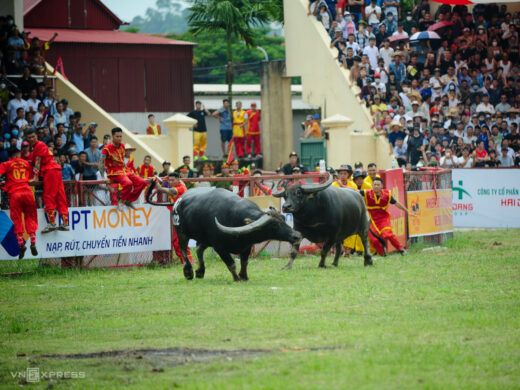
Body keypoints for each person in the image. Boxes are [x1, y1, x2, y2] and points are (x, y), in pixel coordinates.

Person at [26, 129, 69, 233]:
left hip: (50, 171)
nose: (32, 139)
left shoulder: (39, 145)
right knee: (60, 195)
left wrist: (35, 177)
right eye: (30, 137)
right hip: (56, 171)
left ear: (37, 136)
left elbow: (38, 162)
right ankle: (65, 223)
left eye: (33, 136)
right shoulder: (39, 145)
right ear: (27, 139)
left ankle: (52, 224)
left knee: (49, 196)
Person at [361, 177, 416, 257]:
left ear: (382, 186)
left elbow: (397, 203)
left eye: (378, 185)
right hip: (371, 220)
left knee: (388, 235)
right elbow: (356, 191)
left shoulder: (387, 195)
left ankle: (400, 249)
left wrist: (407, 211)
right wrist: (343, 187)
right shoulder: (367, 193)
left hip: (383, 219)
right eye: (374, 185)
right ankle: (382, 254)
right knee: (375, 240)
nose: (376, 186)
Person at [0, 148, 38, 259]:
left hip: (15, 194)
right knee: (31, 217)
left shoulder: (6, 164)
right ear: (18, 154)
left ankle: (21, 245)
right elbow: (31, 178)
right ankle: (33, 243)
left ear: (10, 156)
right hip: (27, 192)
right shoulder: (26, 163)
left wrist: (4, 182)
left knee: (17, 219)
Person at [99, 128, 147, 209]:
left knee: (142, 182)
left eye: (120, 136)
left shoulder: (122, 145)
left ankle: (128, 200)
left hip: (124, 170)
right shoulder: (106, 148)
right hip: (114, 172)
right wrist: (103, 176)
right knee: (128, 183)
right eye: (117, 136)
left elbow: (121, 159)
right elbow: (101, 162)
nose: (119, 138)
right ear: (112, 136)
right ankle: (121, 201)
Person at [152, 173, 193, 264]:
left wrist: (156, 180)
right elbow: (168, 182)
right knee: (177, 241)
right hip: (177, 215)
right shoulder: (179, 183)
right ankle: (185, 261)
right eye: (169, 180)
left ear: (178, 180)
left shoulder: (179, 188)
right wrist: (165, 179)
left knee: (179, 241)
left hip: (182, 217)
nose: (170, 182)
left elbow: (160, 189)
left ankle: (188, 261)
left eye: (173, 180)